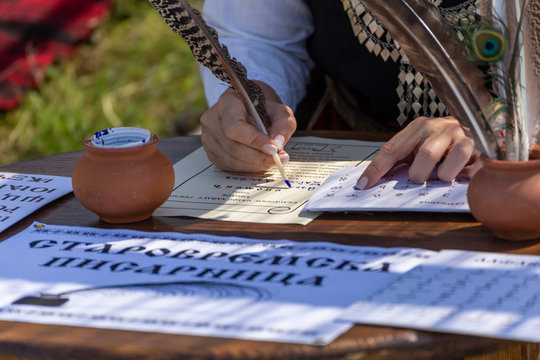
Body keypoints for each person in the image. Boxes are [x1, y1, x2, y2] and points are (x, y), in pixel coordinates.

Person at [199, 0, 480, 189]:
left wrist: (498, 129)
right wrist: (255, 96)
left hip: (496, 169)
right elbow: (258, 35)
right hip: (340, 146)